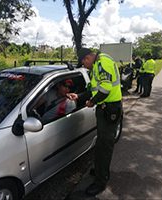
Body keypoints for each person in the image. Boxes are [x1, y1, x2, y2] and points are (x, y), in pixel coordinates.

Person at [67, 48, 123, 196]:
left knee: (105, 146)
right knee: (100, 144)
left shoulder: (102, 63)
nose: (85, 66)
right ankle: (99, 171)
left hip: (110, 109)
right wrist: (78, 96)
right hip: (104, 108)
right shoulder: (98, 63)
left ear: (87, 58)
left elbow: (104, 90)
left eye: (84, 63)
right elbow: (94, 89)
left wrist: (92, 102)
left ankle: (101, 182)